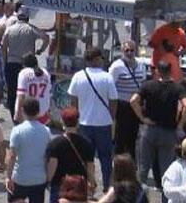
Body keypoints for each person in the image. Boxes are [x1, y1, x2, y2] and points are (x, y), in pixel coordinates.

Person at [131, 60, 186, 190]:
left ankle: (137, 197)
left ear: (157, 71)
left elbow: (133, 100)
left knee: (143, 168)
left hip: (149, 130)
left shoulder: (147, 85)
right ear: (170, 71)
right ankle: (165, 198)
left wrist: (142, 118)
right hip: (168, 132)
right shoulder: (177, 88)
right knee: (166, 170)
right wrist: (180, 124)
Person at [68, 48, 118, 190]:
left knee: (85, 158)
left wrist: (75, 119)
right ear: (96, 59)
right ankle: (107, 186)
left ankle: (87, 185)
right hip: (103, 124)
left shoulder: (78, 76)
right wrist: (111, 117)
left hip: (84, 123)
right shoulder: (107, 77)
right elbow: (113, 101)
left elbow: (73, 100)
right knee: (105, 157)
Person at [1, 8, 49, 119]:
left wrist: (5, 60)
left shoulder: (9, 29)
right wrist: (40, 50)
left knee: (12, 92)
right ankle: (26, 115)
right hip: (27, 65)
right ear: (27, 18)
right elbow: (46, 38)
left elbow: (3, 47)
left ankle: (14, 115)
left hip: (12, 63)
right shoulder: (31, 29)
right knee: (26, 92)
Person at [46, 107, 96, 203]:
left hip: (59, 185)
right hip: (79, 186)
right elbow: (90, 167)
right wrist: (92, 182)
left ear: (62, 122)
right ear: (77, 122)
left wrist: (48, 180)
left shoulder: (55, 144)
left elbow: (52, 167)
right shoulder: (86, 143)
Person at [5, 97, 50, 203]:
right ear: (38, 112)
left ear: (22, 111)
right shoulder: (46, 131)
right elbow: (47, 156)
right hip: (39, 178)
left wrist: (8, 176)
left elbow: (12, 156)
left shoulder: (17, 131)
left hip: (20, 177)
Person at [109, 40, 147, 159]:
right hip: (122, 105)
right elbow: (110, 85)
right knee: (121, 134)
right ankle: (118, 160)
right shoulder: (116, 66)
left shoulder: (141, 64)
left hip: (136, 105)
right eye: (127, 50)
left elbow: (143, 82)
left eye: (132, 50)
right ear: (122, 51)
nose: (130, 53)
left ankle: (132, 161)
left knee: (134, 134)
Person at [14, 53, 51, 124]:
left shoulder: (24, 73)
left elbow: (21, 96)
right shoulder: (45, 73)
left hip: (28, 114)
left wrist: (18, 113)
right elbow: (48, 94)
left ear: (24, 65)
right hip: (43, 114)